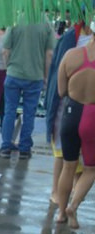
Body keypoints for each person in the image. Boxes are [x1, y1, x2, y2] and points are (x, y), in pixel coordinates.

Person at [44, 20, 91, 204]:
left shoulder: (71, 46)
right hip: (76, 108)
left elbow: (59, 84)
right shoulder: (70, 39)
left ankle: (66, 204)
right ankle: (69, 200)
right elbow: (58, 82)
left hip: (71, 107)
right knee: (73, 160)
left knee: (68, 160)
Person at [0, 21, 55, 159]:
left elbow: (5, 51)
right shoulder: (46, 24)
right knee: (29, 113)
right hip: (35, 76)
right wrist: (45, 76)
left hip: (13, 74)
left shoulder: (15, 21)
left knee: (9, 111)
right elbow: (50, 54)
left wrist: (7, 68)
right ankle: (24, 149)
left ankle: (5, 147)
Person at [55, 22, 95, 229]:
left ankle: (61, 213)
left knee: (68, 166)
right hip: (92, 116)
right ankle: (74, 205)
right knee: (90, 169)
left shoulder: (71, 55)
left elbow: (61, 90)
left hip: (71, 113)